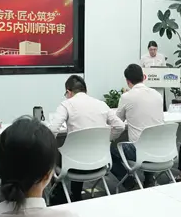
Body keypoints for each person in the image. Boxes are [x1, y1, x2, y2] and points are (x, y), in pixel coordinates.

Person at [49, 74, 125, 202]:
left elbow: (52, 130)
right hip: (100, 162)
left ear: (69, 92)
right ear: (86, 91)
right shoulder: (101, 104)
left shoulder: (66, 104)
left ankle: (59, 198)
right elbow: (120, 126)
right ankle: (75, 194)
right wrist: (106, 140)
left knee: (55, 155)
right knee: (78, 152)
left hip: (74, 164)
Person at [110, 64, 164, 189]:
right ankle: (149, 180)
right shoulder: (157, 95)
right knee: (149, 138)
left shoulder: (127, 97)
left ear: (127, 81)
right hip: (161, 149)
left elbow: (118, 121)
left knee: (109, 150)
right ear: (144, 77)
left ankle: (129, 183)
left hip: (139, 151)